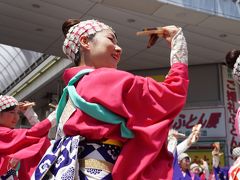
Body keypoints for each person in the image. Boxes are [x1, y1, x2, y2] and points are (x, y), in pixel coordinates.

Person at [33, 19, 189, 179]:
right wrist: (178, 44)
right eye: (110, 39)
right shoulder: (105, 78)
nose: (119, 48)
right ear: (85, 42)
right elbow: (171, 94)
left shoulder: (71, 90)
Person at [0, 95, 56, 179]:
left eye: (18, 113)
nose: (16, 117)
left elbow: (35, 137)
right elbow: (32, 134)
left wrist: (31, 115)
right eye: (11, 112)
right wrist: (55, 115)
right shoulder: (3, 133)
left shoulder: (7, 133)